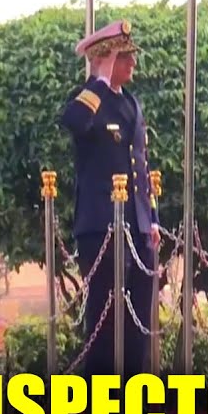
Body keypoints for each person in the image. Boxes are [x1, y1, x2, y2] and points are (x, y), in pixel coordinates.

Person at [58, 19, 160, 378]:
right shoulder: (90, 100)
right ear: (105, 60)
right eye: (123, 57)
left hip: (136, 225)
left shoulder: (131, 103)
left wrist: (151, 220)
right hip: (101, 225)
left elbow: (141, 167)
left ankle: (134, 392)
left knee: (138, 316)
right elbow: (74, 122)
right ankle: (102, 397)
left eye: (131, 56)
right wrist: (98, 80)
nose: (133, 64)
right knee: (105, 315)